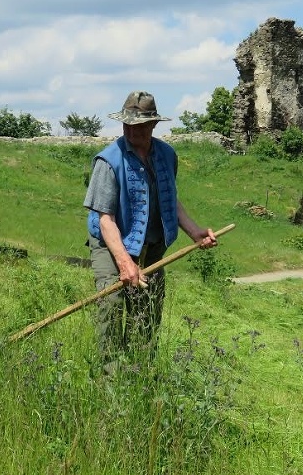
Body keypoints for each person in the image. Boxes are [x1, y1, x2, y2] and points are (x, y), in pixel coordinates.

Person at [83, 91, 217, 369]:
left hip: (152, 246)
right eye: (127, 125)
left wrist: (194, 231)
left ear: (153, 124)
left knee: (146, 311)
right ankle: (109, 380)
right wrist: (124, 263)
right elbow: (105, 218)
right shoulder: (108, 161)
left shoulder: (167, 155)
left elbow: (168, 197)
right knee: (111, 304)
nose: (132, 131)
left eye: (140, 125)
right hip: (112, 246)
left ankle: (139, 376)